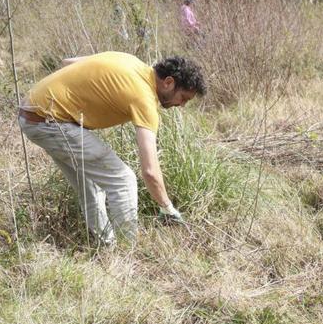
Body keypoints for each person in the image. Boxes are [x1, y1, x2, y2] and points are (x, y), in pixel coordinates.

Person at [18, 52, 206, 245]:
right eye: (183, 98)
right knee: (123, 181)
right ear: (168, 82)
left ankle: (105, 248)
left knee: (90, 185)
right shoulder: (144, 99)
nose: (182, 105)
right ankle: (128, 252)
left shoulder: (129, 60)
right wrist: (167, 207)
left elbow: (68, 62)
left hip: (33, 112)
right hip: (49, 121)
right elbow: (150, 171)